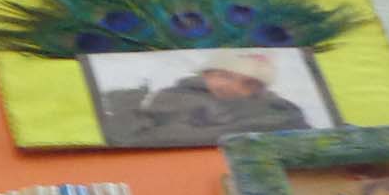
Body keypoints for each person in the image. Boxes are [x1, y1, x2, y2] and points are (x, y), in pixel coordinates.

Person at [124, 50, 311, 143]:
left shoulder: (280, 111)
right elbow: (155, 137)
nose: (234, 87)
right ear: (206, 74)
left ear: (260, 90)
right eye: (225, 76)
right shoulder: (174, 98)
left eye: (249, 83)